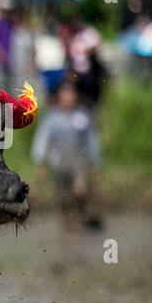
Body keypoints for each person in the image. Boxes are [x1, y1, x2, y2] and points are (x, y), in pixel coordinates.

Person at [31, 79, 102, 231]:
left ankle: (82, 214)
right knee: (63, 197)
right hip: (58, 162)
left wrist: (95, 161)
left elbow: (91, 139)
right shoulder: (52, 117)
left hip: (78, 161)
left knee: (80, 190)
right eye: (66, 94)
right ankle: (66, 224)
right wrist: (39, 161)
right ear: (59, 96)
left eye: (72, 94)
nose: (69, 97)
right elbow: (42, 138)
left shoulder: (83, 115)